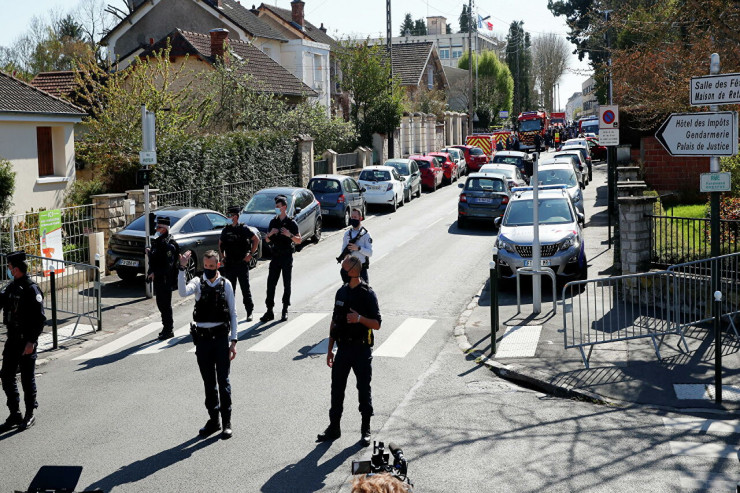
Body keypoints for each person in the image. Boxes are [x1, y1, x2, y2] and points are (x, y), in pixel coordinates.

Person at [317, 256, 381, 446]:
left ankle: (365, 430)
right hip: (343, 348)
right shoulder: (341, 292)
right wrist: (329, 349)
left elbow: (377, 324)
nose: (342, 271)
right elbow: (334, 321)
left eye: (344, 268)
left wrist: (360, 318)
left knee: (363, 389)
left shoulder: (368, 294)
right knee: (336, 389)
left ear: (354, 270)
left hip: (361, 349)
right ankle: (334, 427)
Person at [178, 250, 238, 439]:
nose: (209, 269)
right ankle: (214, 420)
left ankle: (226, 422)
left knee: (223, 381)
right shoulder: (197, 282)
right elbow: (181, 292)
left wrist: (233, 341)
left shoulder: (225, 284)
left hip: (220, 339)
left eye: (212, 266)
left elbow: (234, 314)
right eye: (206, 266)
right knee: (209, 383)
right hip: (203, 340)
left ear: (218, 265)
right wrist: (182, 268)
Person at [0, 251, 46, 432]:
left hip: (26, 342)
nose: (8, 270)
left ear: (16, 269)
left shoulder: (31, 289)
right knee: (6, 375)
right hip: (12, 340)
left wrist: (31, 342)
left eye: (10, 267)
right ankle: (14, 413)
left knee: (27, 378)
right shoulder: (12, 287)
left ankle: (29, 414)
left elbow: (40, 319)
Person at [260, 195, 301, 322]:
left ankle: (284, 309)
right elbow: (266, 240)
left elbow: (299, 240)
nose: (276, 209)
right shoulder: (273, 222)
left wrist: (289, 235)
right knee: (271, 284)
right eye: (275, 207)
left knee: (286, 284)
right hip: (275, 256)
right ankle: (269, 310)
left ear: (284, 207)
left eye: (278, 207)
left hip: (287, 256)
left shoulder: (291, 222)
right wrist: (271, 233)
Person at [219, 205, 259, 322]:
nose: (228, 217)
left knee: (245, 289)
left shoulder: (244, 229)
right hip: (230, 264)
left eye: (230, 215)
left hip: (241, 263)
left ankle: (249, 311)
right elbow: (220, 243)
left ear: (236, 217)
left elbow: (256, 239)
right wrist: (222, 257)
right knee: (230, 291)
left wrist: (250, 254)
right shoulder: (226, 230)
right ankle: (230, 314)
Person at [147, 216, 179, 340]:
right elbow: (153, 261)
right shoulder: (158, 241)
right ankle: (165, 327)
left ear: (164, 229)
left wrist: (156, 273)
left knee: (165, 305)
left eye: (159, 227)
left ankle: (169, 329)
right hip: (159, 279)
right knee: (160, 304)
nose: (157, 229)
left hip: (166, 279)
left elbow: (169, 266)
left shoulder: (169, 245)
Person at [338, 209, 372, 284]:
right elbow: (343, 250)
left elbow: (370, 253)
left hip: (361, 268)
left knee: (364, 292)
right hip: (350, 269)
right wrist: (346, 255)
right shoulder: (347, 234)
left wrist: (358, 248)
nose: (353, 219)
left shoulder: (366, 234)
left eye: (355, 217)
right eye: (352, 217)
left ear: (360, 218)